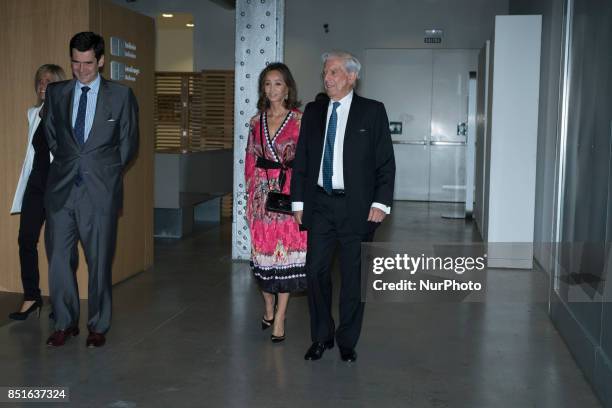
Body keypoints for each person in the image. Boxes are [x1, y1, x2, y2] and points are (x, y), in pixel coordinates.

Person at [291, 51, 395, 362]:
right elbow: (303, 159)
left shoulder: (372, 112)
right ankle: (322, 336)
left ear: (352, 77)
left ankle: (347, 339)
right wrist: (299, 201)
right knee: (315, 270)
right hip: (321, 204)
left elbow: (385, 163)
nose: (327, 77)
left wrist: (381, 202)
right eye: (325, 72)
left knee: (353, 276)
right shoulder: (313, 110)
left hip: (358, 208)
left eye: (335, 72)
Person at [43, 32, 139, 347]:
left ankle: (98, 324)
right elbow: (52, 135)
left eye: (87, 63)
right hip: (61, 190)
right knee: (58, 259)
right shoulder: (56, 93)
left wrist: (104, 173)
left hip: (100, 192)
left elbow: (128, 145)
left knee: (98, 262)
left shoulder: (121, 96)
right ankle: (64, 321)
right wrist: (71, 164)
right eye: (75, 62)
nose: (82, 70)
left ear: (100, 61)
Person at [244, 63, 307, 343]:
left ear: (288, 88)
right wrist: (249, 195)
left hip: (289, 195)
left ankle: (280, 316)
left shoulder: (299, 120)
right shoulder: (255, 122)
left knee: (285, 257)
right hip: (261, 196)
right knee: (263, 258)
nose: (272, 89)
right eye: (267, 83)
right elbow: (249, 158)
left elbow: (306, 161)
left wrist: (303, 196)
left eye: (278, 83)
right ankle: (268, 306)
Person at [9, 64, 66, 320]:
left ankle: (62, 301)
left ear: (59, 86)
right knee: (26, 239)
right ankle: (31, 297)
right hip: (35, 184)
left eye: (48, 81)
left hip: (57, 185)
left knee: (58, 246)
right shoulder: (33, 113)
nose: (42, 85)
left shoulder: (66, 115)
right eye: (40, 81)